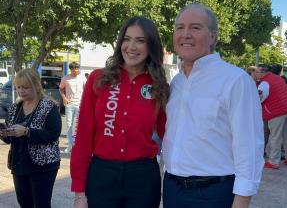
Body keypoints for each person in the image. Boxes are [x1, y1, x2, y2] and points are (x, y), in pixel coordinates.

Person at [162, 3, 264, 208]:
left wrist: (241, 202)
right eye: (180, 27)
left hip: (213, 195)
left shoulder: (235, 80)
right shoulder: (177, 82)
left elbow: (249, 149)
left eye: (196, 27)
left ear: (213, 36)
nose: (186, 34)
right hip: (172, 189)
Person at [70, 16, 169, 208]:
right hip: (102, 176)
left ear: (151, 46)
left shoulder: (158, 86)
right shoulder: (98, 79)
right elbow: (82, 137)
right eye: (127, 39)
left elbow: (169, 134)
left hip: (143, 179)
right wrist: (79, 193)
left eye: (140, 41)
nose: (131, 46)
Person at [0, 68, 62, 208]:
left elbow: (53, 134)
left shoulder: (48, 106)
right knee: (24, 203)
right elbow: (10, 139)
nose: (21, 91)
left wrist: (27, 132)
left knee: (41, 204)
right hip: (19, 163)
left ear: (36, 85)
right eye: (19, 87)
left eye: (25, 87)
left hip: (43, 165)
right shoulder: (15, 107)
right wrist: (4, 133)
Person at [257, 64, 287, 169]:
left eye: (258, 71)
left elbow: (259, 98)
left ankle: (273, 161)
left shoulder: (264, 83)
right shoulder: (278, 78)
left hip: (276, 112)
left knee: (275, 136)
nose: (256, 74)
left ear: (263, 72)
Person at [59, 62, 85, 153]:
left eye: (78, 69)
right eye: (75, 69)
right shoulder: (65, 78)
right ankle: (69, 146)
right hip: (69, 104)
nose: (77, 71)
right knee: (69, 125)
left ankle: (78, 145)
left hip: (80, 105)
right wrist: (64, 98)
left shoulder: (82, 78)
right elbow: (61, 88)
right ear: (71, 69)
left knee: (79, 126)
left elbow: (86, 90)